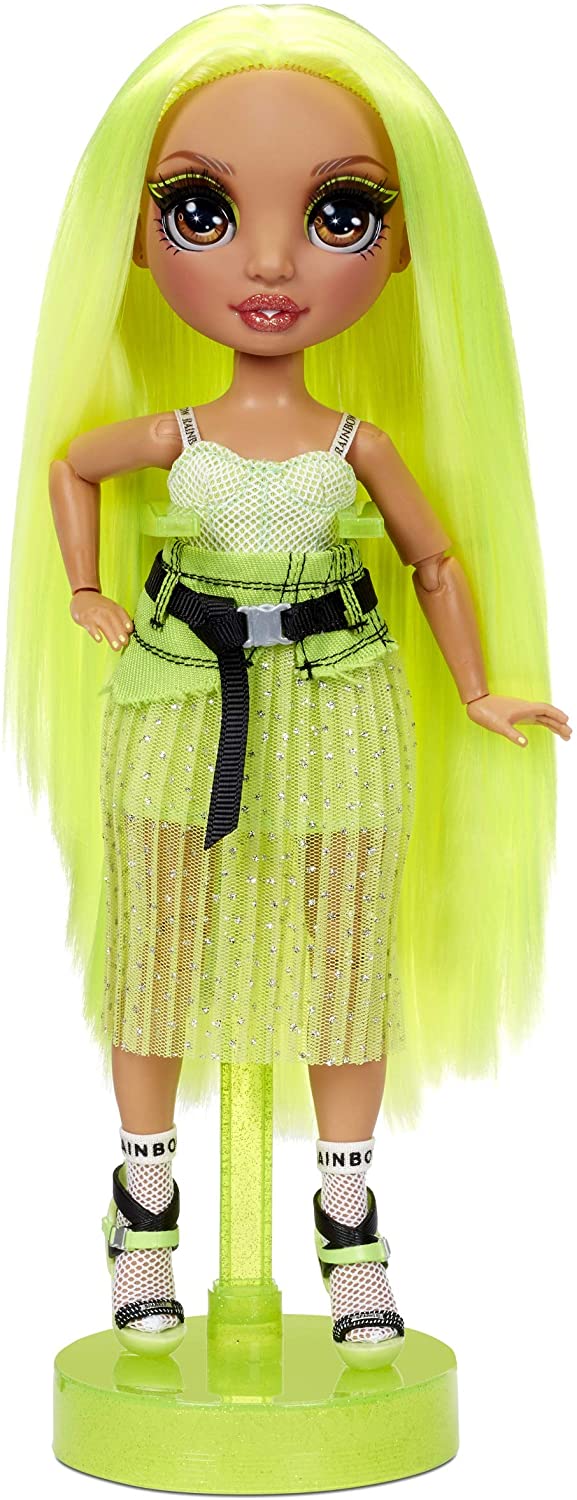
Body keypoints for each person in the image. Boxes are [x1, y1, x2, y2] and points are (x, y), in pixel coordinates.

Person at [4, 5, 571, 1366]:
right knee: (156, 943)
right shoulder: (177, 431)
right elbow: (73, 466)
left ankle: (349, 1219)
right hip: (177, 694)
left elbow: (434, 562)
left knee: (344, 954)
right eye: (201, 212)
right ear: (136, 235)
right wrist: (81, 591)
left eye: (340, 216)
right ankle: (144, 1204)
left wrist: (480, 689)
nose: (267, 263)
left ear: (405, 240)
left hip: (336, 700)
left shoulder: (358, 442)